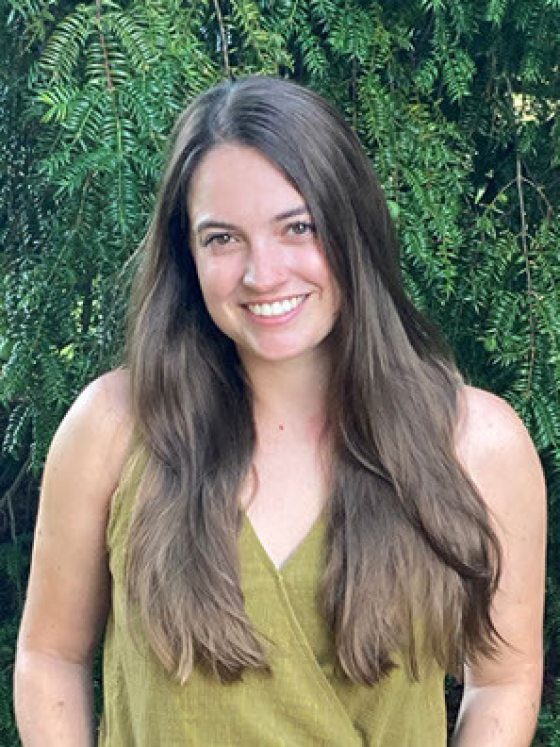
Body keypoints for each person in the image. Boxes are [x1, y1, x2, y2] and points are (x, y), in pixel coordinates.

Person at [14, 76, 545, 746]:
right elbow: (49, 656)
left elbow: (505, 677)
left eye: (297, 226)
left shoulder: (477, 444)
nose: (263, 273)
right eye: (222, 238)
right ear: (188, 253)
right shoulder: (114, 427)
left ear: (352, 227)